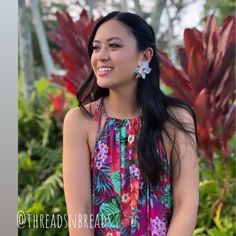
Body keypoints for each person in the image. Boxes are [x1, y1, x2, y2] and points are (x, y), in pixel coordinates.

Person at [63, 11, 199, 236]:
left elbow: (186, 204)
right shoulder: (80, 122)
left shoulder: (176, 119)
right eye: (96, 48)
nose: (101, 56)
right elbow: (79, 211)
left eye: (113, 46)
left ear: (145, 56)